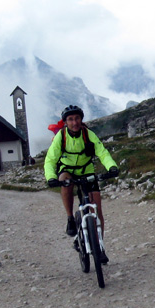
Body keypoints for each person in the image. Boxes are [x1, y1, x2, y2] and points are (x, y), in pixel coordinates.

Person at [44, 105, 118, 262]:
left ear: (81, 119)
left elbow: (102, 152)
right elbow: (50, 159)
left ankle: (99, 247)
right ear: (65, 122)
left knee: (97, 211)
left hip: (86, 171)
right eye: (70, 119)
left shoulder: (88, 134)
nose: (74, 122)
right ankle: (70, 218)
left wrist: (112, 166)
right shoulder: (61, 137)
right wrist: (51, 177)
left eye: (77, 118)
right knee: (64, 180)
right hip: (67, 169)